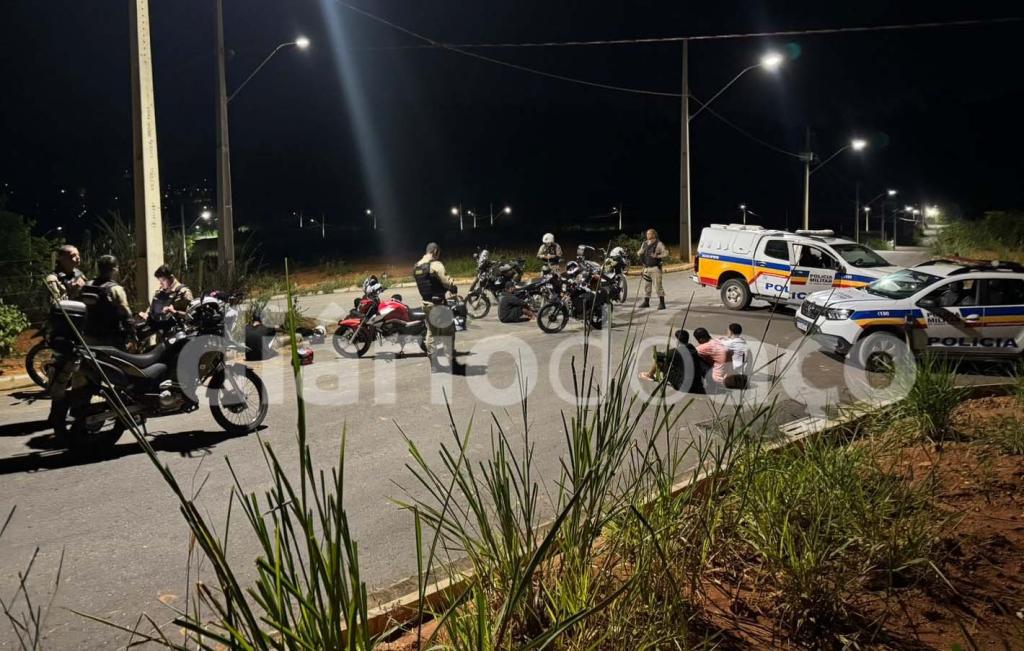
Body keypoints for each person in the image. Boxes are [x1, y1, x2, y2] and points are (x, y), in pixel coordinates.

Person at [414, 242, 465, 374]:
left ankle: (434, 365)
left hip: (426, 304)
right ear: (435, 251)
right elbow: (446, 282)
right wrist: (453, 287)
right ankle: (451, 362)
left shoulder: (417, 266)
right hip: (438, 305)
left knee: (431, 333)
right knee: (449, 331)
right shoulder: (435, 265)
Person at [78, 254, 132, 347]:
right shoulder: (116, 289)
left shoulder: (87, 286)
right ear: (114, 269)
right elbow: (126, 313)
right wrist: (132, 332)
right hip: (109, 339)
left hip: (88, 336)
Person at [640, 329, 706, 394]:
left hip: (684, 387)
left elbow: (656, 355)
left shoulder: (676, 352)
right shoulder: (692, 348)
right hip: (697, 385)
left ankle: (649, 375)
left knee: (660, 361)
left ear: (677, 341)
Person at [637, 228, 668, 309]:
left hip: (655, 268)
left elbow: (666, 253)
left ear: (654, 235)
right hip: (646, 268)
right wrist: (640, 253)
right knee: (646, 286)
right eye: (647, 234)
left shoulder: (659, 244)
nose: (647, 235)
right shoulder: (644, 243)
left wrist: (657, 256)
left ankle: (662, 303)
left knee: (658, 286)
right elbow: (640, 252)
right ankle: (646, 302)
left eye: (649, 234)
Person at [721, 323, 749, 389]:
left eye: (728, 330)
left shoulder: (729, 343)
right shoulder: (743, 341)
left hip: (733, 370)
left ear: (731, 332)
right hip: (742, 370)